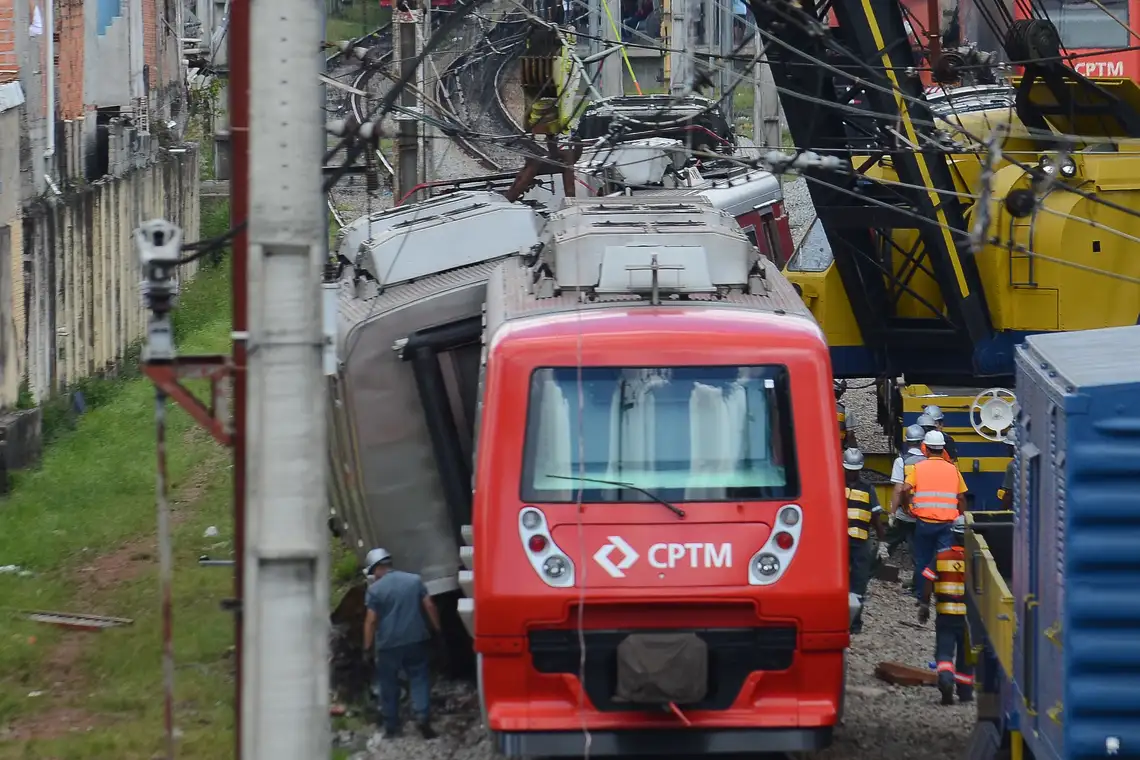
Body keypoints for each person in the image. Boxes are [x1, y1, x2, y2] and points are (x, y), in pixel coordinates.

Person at [362, 548, 442, 739]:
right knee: (419, 678)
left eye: (373, 572)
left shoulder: (374, 590)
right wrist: (437, 631)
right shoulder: (414, 580)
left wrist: (367, 648)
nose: (373, 576)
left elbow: (371, 621)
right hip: (416, 639)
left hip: (388, 646)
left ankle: (392, 727)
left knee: (388, 684)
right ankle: (422, 716)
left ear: (377, 567)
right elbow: (430, 606)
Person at [901, 430, 968, 604]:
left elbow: (904, 489)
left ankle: (921, 596)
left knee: (922, 559)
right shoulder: (953, 470)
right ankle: (943, 594)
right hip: (947, 523)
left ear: (926, 449)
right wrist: (961, 518)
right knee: (943, 558)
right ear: (942, 449)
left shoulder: (919, 468)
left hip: (924, 522)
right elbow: (961, 497)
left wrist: (906, 506)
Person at [917, 516, 973, 706]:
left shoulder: (941, 557)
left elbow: (928, 578)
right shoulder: (974, 560)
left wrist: (924, 605)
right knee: (966, 656)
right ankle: (965, 692)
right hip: (968, 619)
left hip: (945, 614)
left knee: (944, 652)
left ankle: (946, 680)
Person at [843, 447, 884, 635]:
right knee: (840, 582)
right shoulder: (835, 485)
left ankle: (854, 622)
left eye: (854, 470)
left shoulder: (868, 489)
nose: (852, 473)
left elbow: (876, 518)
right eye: (849, 470)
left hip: (860, 542)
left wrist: (883, 542)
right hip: (839, 544)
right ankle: (839, 619)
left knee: (858, 584)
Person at [888, 424, 926, 593]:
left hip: (905, 513)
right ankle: (920, 584)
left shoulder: (901, 461)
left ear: (907, 442)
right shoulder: (928, 462)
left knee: (892, 540)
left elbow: (898, 489)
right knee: (918, 550)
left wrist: (892, 512)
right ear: (921, 442)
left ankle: (875, 568)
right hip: (923, 513)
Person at [997, 427, 1017, 509]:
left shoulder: (1012, 466)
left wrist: (1002, 511)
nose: (1007, 448)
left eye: (1008, 446)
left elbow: (1008, 493)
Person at [835, 379, 858, 448]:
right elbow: (850, 434)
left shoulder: (813, 409)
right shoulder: (846, 411)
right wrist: (855, 450)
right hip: (837, 451)